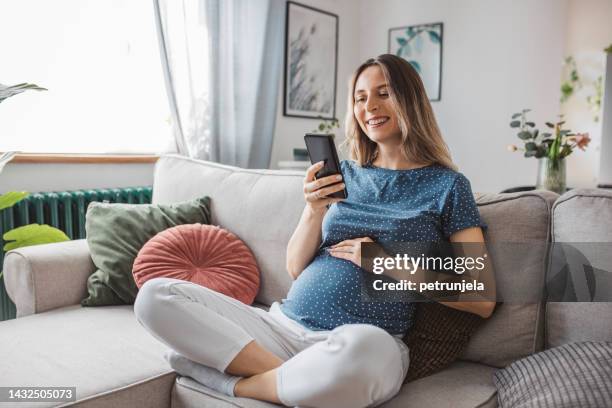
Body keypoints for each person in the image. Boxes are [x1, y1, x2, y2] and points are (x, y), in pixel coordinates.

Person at [134, 54, 496, 408]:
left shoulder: (447, 186)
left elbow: (481, 298)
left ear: (411, 100)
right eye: (360, 97)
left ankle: (235, 385)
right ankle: (296, 379)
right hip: (281, 328)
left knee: (369, 352)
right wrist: (312, 210)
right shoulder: (344, 174)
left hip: (361, 341)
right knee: (155, 295)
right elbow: (295, 267)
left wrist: (386, 264)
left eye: (383, 93)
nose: (370, 105)